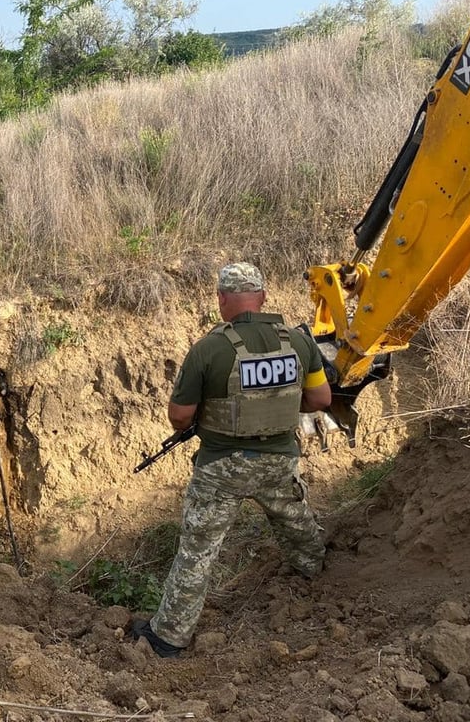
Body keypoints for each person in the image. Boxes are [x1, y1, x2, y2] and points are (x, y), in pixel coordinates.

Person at [133, 262, 331, 658]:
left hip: (221, 468)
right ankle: (319, 579)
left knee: (198, 549)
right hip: (279, 460)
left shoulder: (209, 349)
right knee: (296, 523)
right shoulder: (299, 342)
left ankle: (169, 637)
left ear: (222, 300)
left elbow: (179, 416)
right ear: (264, 297)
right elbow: (321, 400)